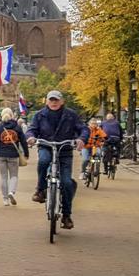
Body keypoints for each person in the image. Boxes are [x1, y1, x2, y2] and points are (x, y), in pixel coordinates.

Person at [26, 90, 89, 229]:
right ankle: (40, 190)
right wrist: (30, 137)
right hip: (46, 146)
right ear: (47, 101)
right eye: (51, 100)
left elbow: (83, 129)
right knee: (43, 161)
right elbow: (32, 129)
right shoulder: (39, 115)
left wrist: (81, 139)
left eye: (56, 100)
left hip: (64, 150)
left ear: (62, 101)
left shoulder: (71, 115)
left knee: (67, 183)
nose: (53, 102)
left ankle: (66, 216)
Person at [0, 107, 29, 206]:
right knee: (14, 176)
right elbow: (23, 141)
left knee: (3, 177)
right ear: (12, 115)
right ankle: (11, 192)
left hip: (0, 155)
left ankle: (5, 200)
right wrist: (26, 153)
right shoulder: (17, 127)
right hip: (13, 154)